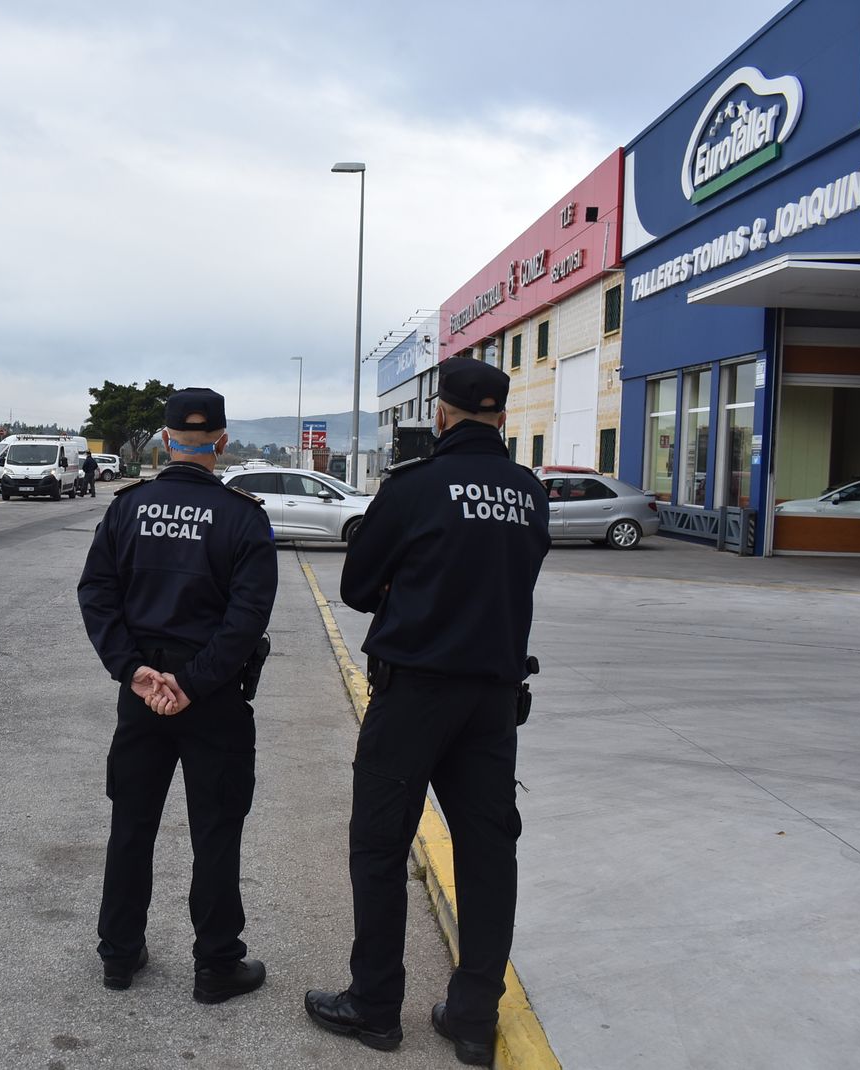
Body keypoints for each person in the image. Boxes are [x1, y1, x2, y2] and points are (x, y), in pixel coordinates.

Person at [303, 358, 550, 1065]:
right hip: (493, 703)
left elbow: (355, 585)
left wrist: (409, 593)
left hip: (414, 692)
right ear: (501, 415)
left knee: (380, 845)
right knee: (488, 853)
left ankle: (376, 1006)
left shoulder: (415, 487)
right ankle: (473, 1019)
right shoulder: (529, 494)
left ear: (440, 414)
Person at [77, 387, 278, 1005]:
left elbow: (97, 594)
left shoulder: (128, 508)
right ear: (221, 442)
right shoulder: (244, 516)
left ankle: (119, 954)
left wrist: (134, 670)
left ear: (165, 441)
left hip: (143, 694)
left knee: (131, 824)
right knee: (216, 831)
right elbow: (246, 619)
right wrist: (190, 684)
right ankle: (216, 965)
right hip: (211, 696)